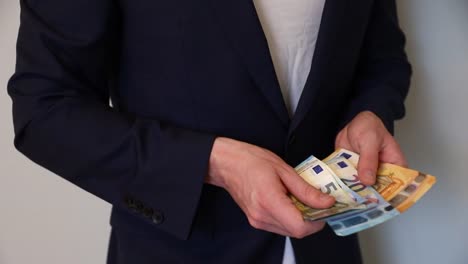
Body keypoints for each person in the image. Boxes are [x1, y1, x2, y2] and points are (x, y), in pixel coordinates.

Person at [8, 0, 411, 263]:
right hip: (180, 248)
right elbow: (44, 110)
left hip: (327, 247)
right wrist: (213, 162)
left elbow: (382, 56)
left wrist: (370, 113)